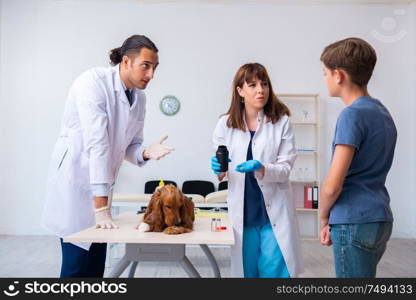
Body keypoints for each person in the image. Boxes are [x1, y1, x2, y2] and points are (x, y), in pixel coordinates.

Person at [41, 35, 174, 278]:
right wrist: (101, 208)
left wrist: (144, 152)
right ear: (126, 62)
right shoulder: (92, 83)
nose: (151, 74)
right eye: (146, 65)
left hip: (102, 189)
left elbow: (129, 145)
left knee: (96, 267)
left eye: (154, 67)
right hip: (75, 184)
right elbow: (98, 144)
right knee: (75, 266)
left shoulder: (139, 98)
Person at [211, 63, 304, 278]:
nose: (260, 90)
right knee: (246, 273)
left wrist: (262, 168)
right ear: (240, 91)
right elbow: (221, 171)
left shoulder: (281, 122)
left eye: (264, 84)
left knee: (274, 272)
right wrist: (218, 170)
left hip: (273, 211)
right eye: (252, 85)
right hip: (244, 212)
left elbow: (285, 168)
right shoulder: (225, 124)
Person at [319, 37, 397, 277]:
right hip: (380, 217)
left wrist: (323, 217)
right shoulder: (382, 112)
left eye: (325, 73)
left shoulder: (351, 115)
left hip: (353, 220)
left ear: (339, 75)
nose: (324, 79)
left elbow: (333, 185)